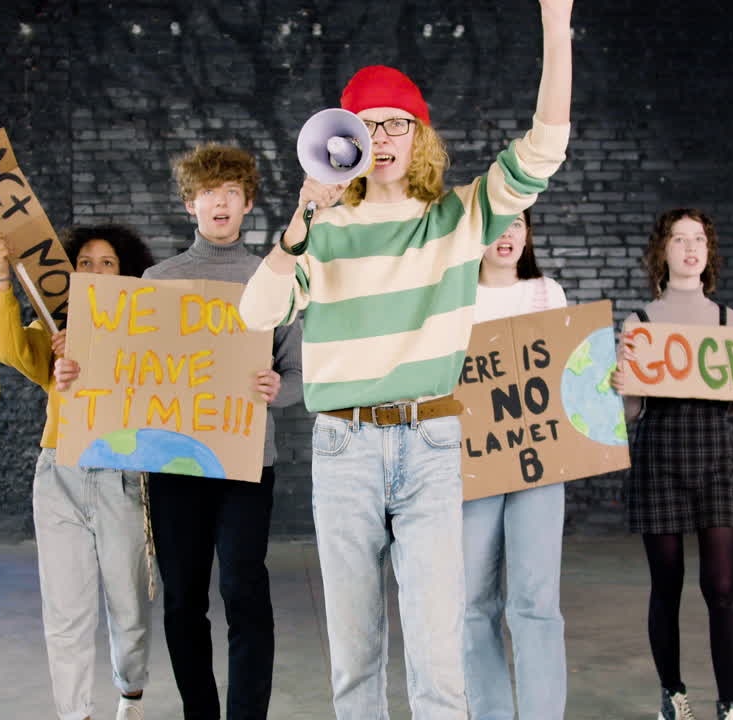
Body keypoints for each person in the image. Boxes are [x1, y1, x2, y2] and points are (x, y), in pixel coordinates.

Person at [236, 2, 574, 717]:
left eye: (397, 123)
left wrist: (555, 22)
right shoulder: (324, 231)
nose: (383, 137)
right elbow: (256, 314)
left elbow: (545, 147)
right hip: (345, 446)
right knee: (355, 657)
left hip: (432, 443)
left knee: (439, 657)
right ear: (346, 139)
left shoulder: (460, 217)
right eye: (368, 125)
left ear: (418, 135)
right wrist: (301, 220)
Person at [55, 143, 303, 720]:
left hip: (246, 463)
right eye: (208, 193)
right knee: (183, 599)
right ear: (190, 204)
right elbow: (119, 375)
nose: (221, 202)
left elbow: (298, 375)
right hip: (172, 466)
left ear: (247, 203)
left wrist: (278, 389)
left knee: (243, 588)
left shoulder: (274, 279)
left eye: (232, 192)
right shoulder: (156, 281)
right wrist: (74, 371)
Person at [609, 209, 733, 720]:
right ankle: (672, 695)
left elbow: (731, 401)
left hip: (714, 454)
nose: (690, 248)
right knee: (666, 586)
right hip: (658, 456)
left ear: (708, 251)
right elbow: (632, 411)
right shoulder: (640, 323)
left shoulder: (727, 321)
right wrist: (620, 388)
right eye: (679, 239)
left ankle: (730, 705)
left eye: (699, 239)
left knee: (722, 587)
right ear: (663, 250)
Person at [0, 225, 155, 720]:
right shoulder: (56, 329)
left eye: (108, 263)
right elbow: (8, 347)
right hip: (60, 470)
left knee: (129, 606)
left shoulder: (148, 330)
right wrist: (2, 277)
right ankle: (74, 712)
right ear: (70, 273)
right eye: (85, 263)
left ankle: (131, 693)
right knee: (66, 609)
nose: (96, 271)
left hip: (123, 475)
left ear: (126, 273)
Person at [463, 206, 570, 720]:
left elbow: (565, 371)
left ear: (528, 235)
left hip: (539, 464)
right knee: (471, 603)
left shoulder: (549, 293)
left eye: (518, 225)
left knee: (536, 602)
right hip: (472, 464)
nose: (507, 235)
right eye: (496, 225)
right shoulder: (455, 296)